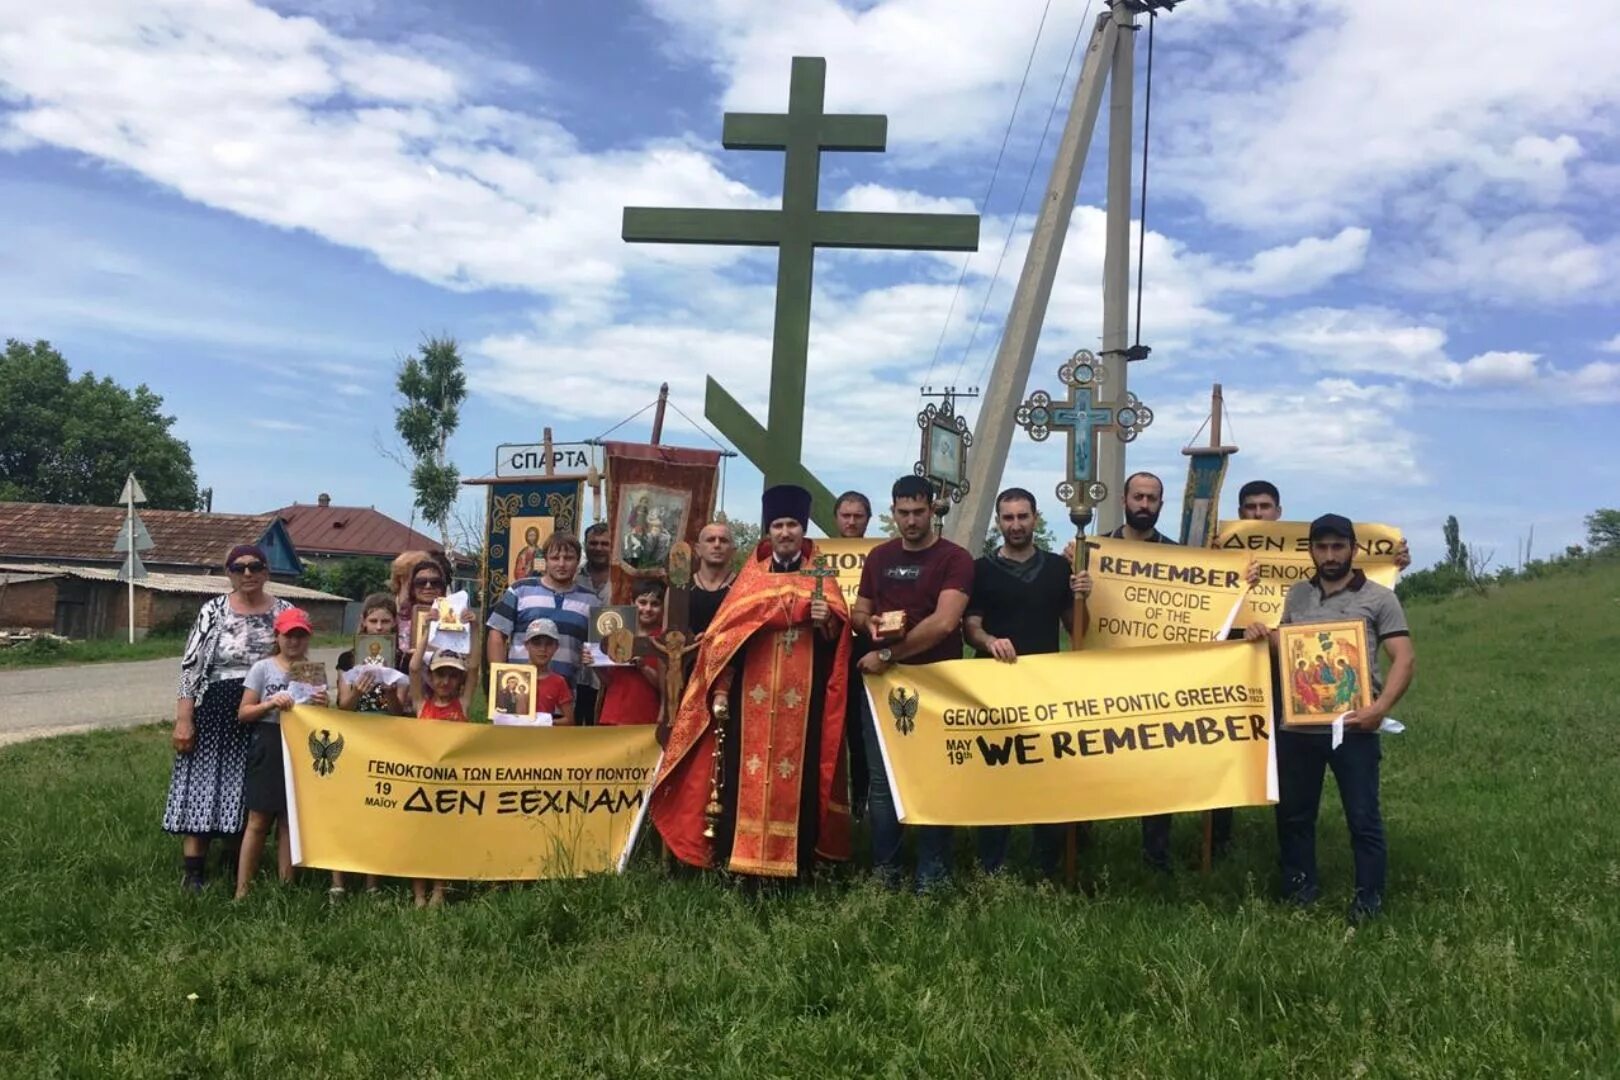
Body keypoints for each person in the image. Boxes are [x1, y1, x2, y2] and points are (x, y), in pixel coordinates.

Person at [651, 484, 853, 879]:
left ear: (803, 528)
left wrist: (825, 621)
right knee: (742, 777)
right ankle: (740, 864)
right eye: (777, 525)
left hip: (803, 698)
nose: (785, 532)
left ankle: (796, 866)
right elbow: (725, 638)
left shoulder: (820, 575)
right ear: (768, 531)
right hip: (751, 699)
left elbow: (838, 638)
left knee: (801, 778)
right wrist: (723, 689)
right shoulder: (752, 578)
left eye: (792, 524)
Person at [1245, 514, 1415, 922]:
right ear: (1310, 551)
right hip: (1298, 728)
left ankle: (1368, 901)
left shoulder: (1378, 598)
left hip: (1354, 728)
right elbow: (1289, 650)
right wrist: (1260, 636)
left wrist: (1379, 709)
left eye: (1338, 547)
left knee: (1363, 817)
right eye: (1321, 547)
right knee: (1294, 816)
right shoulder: (1297, 596)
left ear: (1353, 550)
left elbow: (1404, 659)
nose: (1330, 555)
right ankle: (1300, 891)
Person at [851, 475, 975, 891]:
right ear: (893, 512)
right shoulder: (879, 557)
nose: (911, 520)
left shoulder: (954, 558)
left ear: (933, 510)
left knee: (934, 776)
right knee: (883, 782)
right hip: (883, 688)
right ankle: (885, 873)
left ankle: (932, 874)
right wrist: (867, 623)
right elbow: (860, 609)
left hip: (936, 683)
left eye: (918, 512)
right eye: (903, 513)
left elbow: (944, 623)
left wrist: (887, 655)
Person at [963, 488, 1092, 877]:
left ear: (1036, 518)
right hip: (994, 687)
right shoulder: (981, 570)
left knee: (1045, 776)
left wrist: (1087, 597)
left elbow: (1079, 630)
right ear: (998, 522)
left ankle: (1046, 866)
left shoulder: (1057, 569)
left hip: (1045, 688)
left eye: (1023, 516)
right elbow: (971, 628)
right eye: (1008, 518)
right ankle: (992, 865)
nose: (1015, 525)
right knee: (996, 776)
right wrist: (989, 641)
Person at [164, 544, 292, 892]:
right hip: (219, 703)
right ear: (229, 573)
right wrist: (184, 718)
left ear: (266, 571)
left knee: (247, 787)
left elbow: (299, 657)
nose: (247, 573)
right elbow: (191, 666)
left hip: (267, 707)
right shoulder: (213, 610)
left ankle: (237, 861)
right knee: (204, 783)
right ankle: (193, 872)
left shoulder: (285, 611)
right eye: (239, 568)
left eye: (255, 566)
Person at [234, 607, 328, 899]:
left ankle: (286, 887)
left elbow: (321, 718)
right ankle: (242, 889)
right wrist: (270, 704)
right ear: (278, 636)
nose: (295, 642)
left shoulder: (312, 670)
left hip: (299, 743)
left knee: (290, 820)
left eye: (301, 636)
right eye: (289, 635)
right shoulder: (263, 668)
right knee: (259, 820)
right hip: (269, 739)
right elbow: (244, 713)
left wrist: (323, 703)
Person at [485, 532, 596, 696]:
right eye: (555, 558)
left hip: (563, 697)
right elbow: (497, 634)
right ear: (545, 560)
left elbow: (598, 649)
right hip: (518, 692)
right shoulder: (520, 590)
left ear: (578, 561)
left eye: (569, 558)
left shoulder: (590, 601)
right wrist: (500, 678)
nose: (561, 564)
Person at [407, 649, 474, 906]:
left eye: (451, 676)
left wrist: (475, 627)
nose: (445, 682)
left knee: (444, 838)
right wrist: (425, 630)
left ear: (460, 679)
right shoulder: (422, 705)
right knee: (420, 837)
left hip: (452, 785)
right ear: (430, 677)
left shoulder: (464, 704)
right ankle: (419, 893)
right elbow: (413, 668)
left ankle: (439, 889)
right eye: (439, 675)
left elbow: (476, 668)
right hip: (423, 783)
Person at [1236, 479, 1412, 570]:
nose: (1258, 513)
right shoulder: (1222, 545)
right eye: (1251, 507)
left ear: (1278, 511)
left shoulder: (1314, 545)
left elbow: (1340, 570)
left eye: (1265, 506)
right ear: (1240, 513)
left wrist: (1390, 562)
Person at [832, 490, 874, 816]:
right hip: (827, 653)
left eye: (857, 516)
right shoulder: (819, 556)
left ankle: (861, 805)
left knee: (861, 737)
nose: (851, 521)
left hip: (864, 653)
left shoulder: (880, 555)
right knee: (827, 735)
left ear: (868, 520)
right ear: (836, 518)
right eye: (846, 515)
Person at [589, 581, 664, 727]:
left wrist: (643, 668)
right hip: (613, 714)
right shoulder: (619, 634)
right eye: (642, 602)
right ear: (632, 602)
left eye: (655, 604)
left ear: (663, 607)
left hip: (646, 717)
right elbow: (610, 682)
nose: (647, 609)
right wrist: (595, 664)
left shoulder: (664, 638)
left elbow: (667, 688)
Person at [335, 593, 407, 716]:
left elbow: (398, 712)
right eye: (373, 621)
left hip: (388, 727)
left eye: (385, 621)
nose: (379, 627)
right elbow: (344, 708)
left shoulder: (402, 659)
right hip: (357, 725)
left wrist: (390, 694)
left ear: (394, 622)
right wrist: (356, 693)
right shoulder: (347, 658)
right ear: (363, 621)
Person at [396, 553, 449, 672]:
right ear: (412, 588)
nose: (428, 586)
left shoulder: (454, 617)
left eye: (435, 582)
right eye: (421, 582)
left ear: (442, 588)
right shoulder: (398, 620)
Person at [517, 620, 575, 725]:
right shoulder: (513, 676)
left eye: (548, 644)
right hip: (515, 736)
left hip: (545, 738)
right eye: (537, 643)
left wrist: (545, 723)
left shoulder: (558, 682)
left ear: (556, 647)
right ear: (526, 645)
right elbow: (500, 714)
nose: (542, 649)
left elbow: (569, 720)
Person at [687, 520, 738, 638]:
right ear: (698, 549)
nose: (717, 545)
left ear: (733, 551)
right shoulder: (680, 589)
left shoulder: (744, 588)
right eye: (710, 540)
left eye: (723, 541)